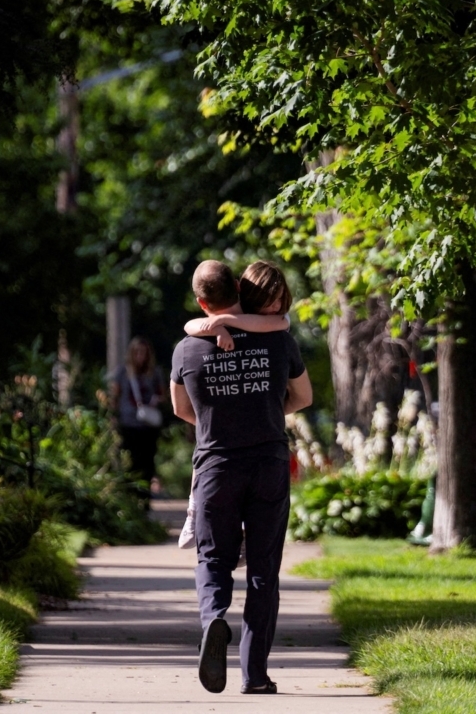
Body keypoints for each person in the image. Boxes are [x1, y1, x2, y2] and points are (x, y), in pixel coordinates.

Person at [170, 259, 312, 695]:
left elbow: (180, 410)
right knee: (264, 571)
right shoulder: (278, 338)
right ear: (237, 286)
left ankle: (214, 618)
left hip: (216, 466)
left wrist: (220, 417)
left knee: (213, 560)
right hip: (268, 463)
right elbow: (303, 397)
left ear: (200, 301)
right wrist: (265, 410)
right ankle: (256, 675)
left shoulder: (185, 350)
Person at [178, 260, 293, 550]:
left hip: (226, 453)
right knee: (206, 450)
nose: (276, 306)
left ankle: (201, 512)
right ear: (241, 290)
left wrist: (221, 323)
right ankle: (195, 509)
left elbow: (281, 321)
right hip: (261, 448)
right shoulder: (267, 332)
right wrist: (215, 327)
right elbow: (190, 325)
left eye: (281, 299)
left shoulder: (276, 324)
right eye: (271, 299)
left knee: (209, 450)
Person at [109, 336, 164, 500]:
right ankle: (130, 498)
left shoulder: (155, 373)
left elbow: (163, 395)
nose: (141, 356)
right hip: (128, 424)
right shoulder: (122, 373)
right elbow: (115, 397)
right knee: (129, 463)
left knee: (147, 463)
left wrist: (156, 400)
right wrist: (113, 419)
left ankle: (144, 499)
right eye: (137, 352)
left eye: (144, 353)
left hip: (148, 426)